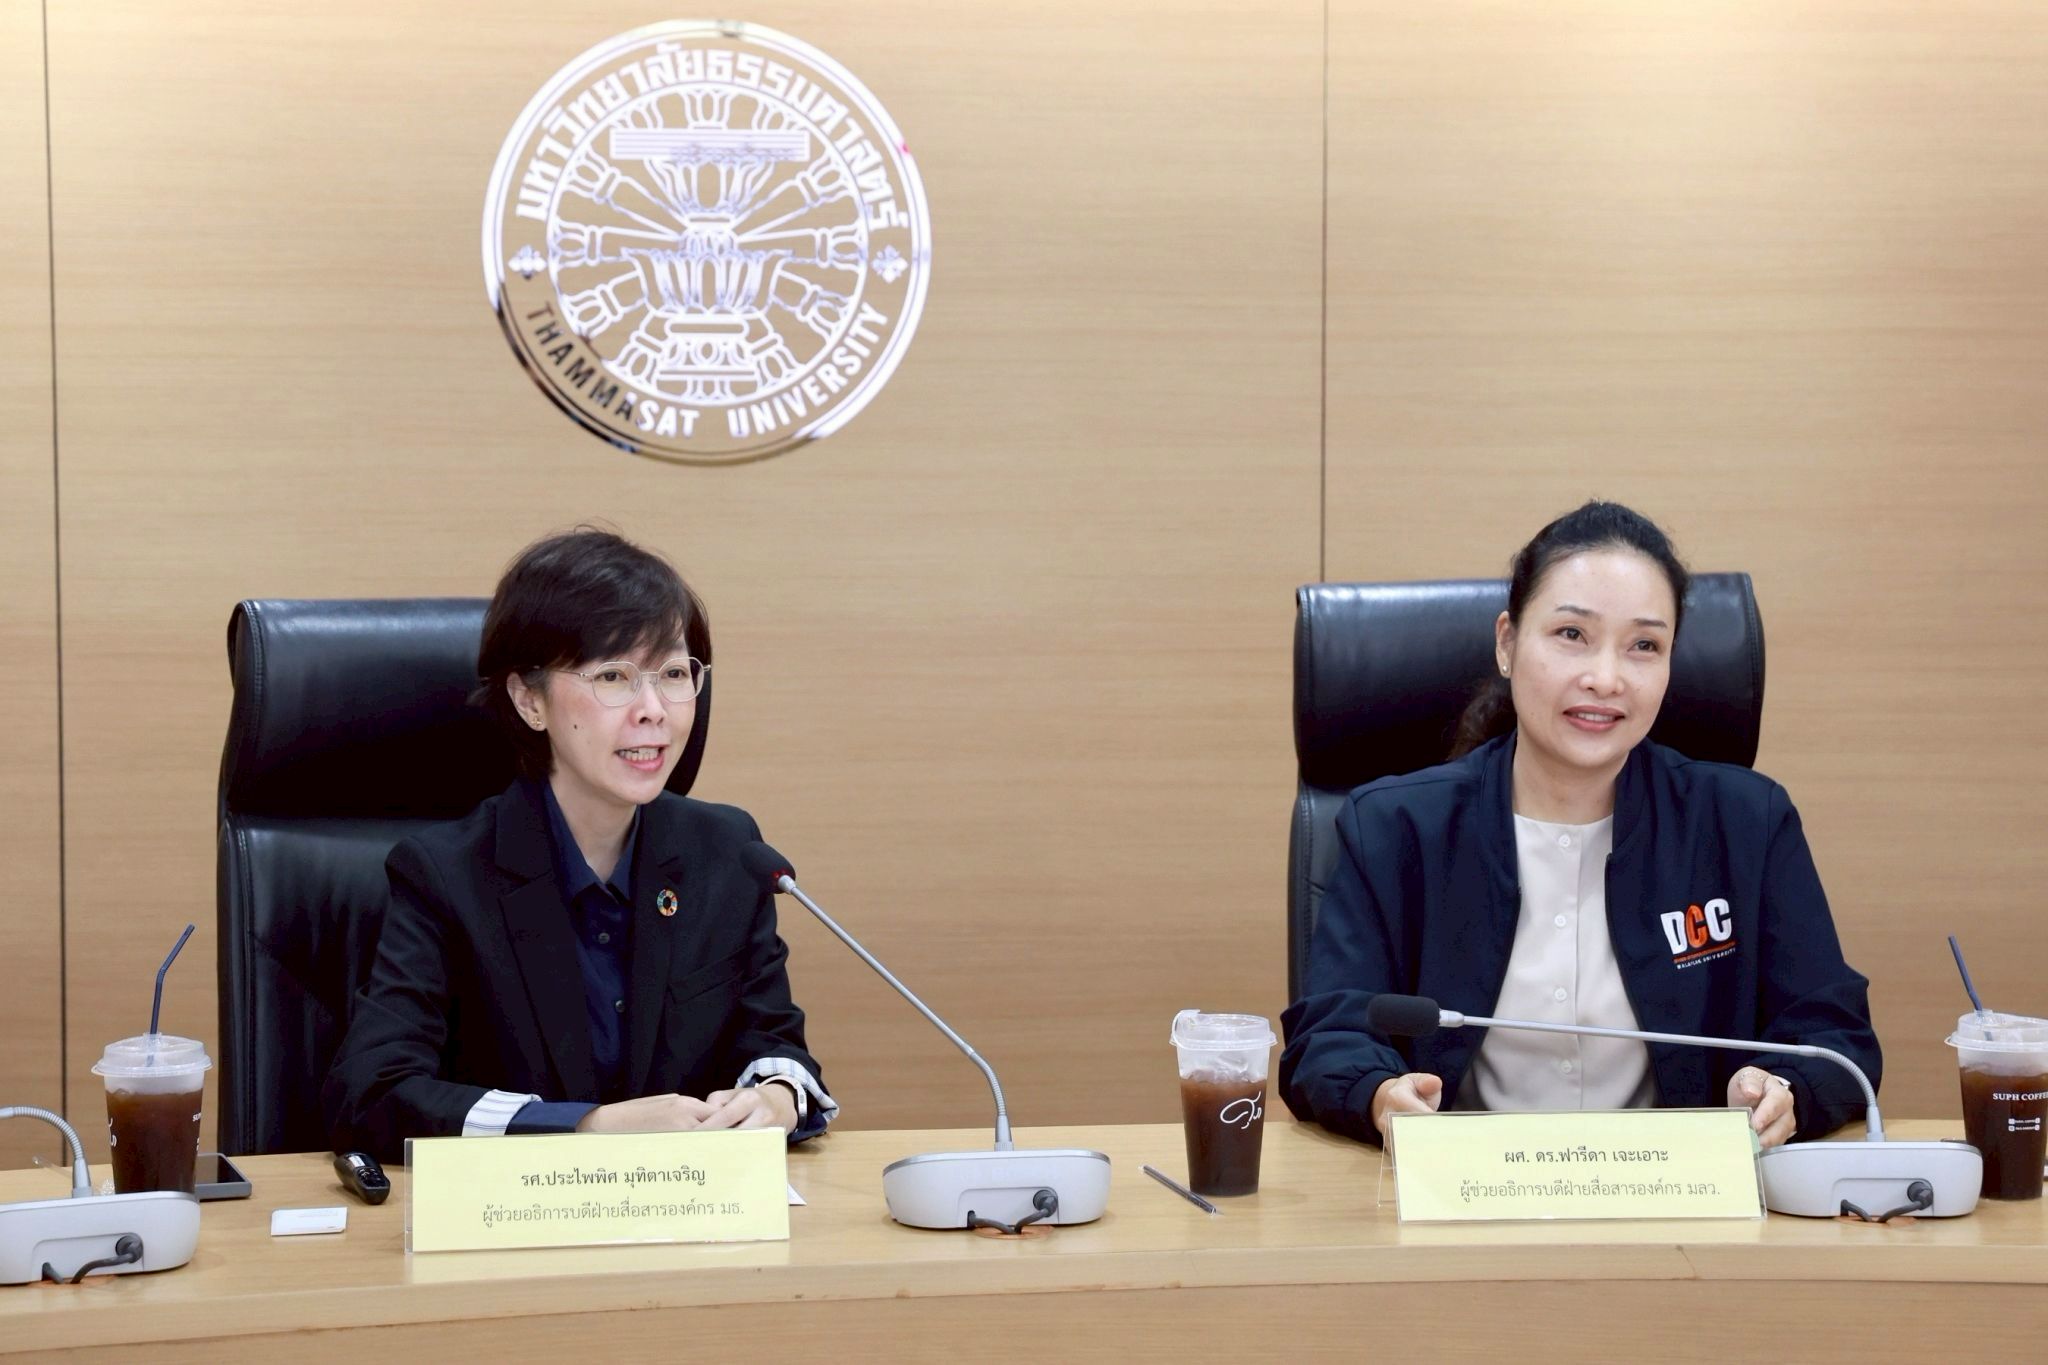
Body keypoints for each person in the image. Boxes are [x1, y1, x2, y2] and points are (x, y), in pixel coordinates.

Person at [1278, 501, 1879, 1149]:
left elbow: (1832, 1032)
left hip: (1679, 1192)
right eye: (1572, 634)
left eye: (1644, 645)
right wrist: (1377, 1092)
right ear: (1507, 643)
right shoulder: (1394, 828)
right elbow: (1330, 1033)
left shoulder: (1746, 823)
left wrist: (1785, 1088)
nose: (1605, 678)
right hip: (1465, 1188)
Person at [324, 528, 834, 1161]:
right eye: (614, 676)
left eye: (674, 674)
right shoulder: (446, 876)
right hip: (518, 1214)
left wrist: (777, 1095)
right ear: (528, 700)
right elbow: (373, 1094)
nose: (653, 709)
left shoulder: (727, 853)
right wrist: (583, 1126)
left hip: (687, 1211)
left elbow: (773, 1043)